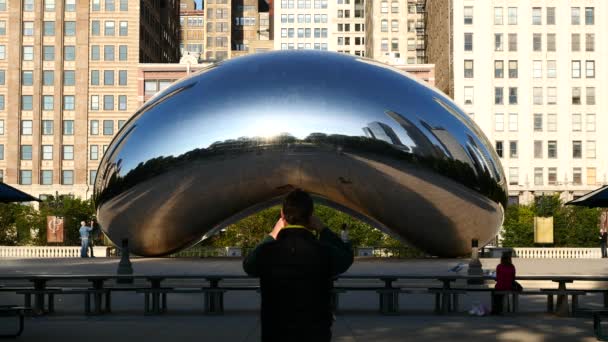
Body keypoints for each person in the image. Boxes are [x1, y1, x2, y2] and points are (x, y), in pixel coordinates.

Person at [243, 189, 354, 342]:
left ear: (282, 215)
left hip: (276, 334)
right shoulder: (323, 251)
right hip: (315, 334)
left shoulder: (267, 252)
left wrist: (272, 234)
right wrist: (324, 230)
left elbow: (248, 265)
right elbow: (347, 257)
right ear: (310, 216)